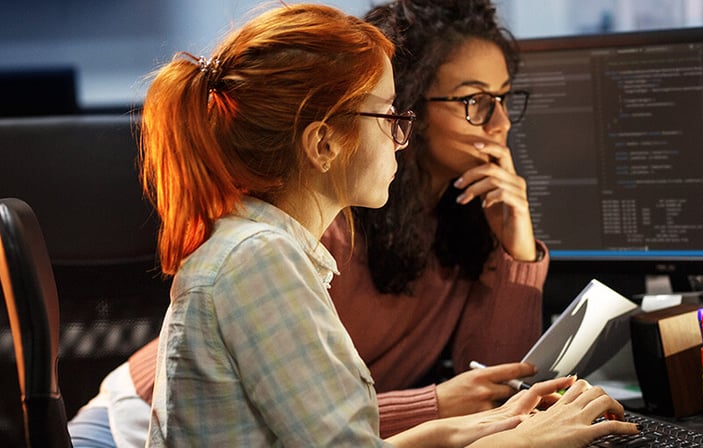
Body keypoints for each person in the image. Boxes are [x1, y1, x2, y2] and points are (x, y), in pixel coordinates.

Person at [70, 0, 574, 445]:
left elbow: (337, 428)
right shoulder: (279, 247)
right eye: (390, 116)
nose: (501, 124)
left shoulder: (280, 240)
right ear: (324, 144)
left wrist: (482, 424)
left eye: (504, 99)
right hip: (123, 428)